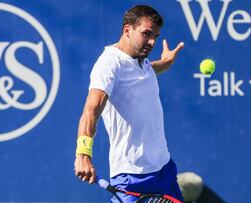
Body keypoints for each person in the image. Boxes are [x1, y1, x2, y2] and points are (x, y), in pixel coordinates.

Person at [74, 5, 184, 202]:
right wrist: (83, 153)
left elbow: (141, 74)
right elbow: (91, 109)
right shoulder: (109, 64)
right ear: (127, 30)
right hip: (132, 175)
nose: (151, 42)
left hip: (164, 168)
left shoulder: (142, 59)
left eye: (155, 37)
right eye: (146, 34)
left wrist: (163, 64)